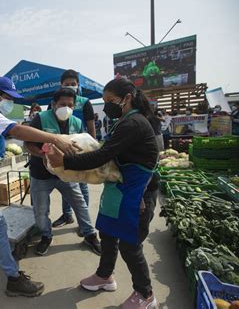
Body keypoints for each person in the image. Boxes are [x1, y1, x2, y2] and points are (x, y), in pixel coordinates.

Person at [0, 76, 79, 297]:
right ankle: (13, 278)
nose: (11, 103)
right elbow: (19, 131)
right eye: (9, 98)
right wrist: (56, 139)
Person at [45, 77, 159, 309]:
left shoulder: (133, 123)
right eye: (105, 100)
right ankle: (104, 276)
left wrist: (65, 160)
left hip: (137, 193)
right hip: (119, 188)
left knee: (129, 244)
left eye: (110, 100)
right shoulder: (124, 121)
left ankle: (146, 295)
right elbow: (107, 153)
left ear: (127, 98)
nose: (107, 105)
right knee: (107, 232)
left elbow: (102, 156)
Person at [25, 88, 101, 256]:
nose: (66, 108)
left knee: (79, 203)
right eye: (62, 104)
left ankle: (90, 234)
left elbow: (81, 145)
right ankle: (46, 235)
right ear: (53, 104)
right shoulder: (40, 118)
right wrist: (43, 154)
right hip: (41, 174)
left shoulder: (76, 122)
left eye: (70, 105)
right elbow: (28, 144)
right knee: (41, 209)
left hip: (67, 174)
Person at [52, 69, 96, 229]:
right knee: (66, 179)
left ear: (78, 85)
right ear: (61, 85)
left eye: (73, 84)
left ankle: (83, 221)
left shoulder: (85, 102)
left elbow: (91, 127)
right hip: (62, 147)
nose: (70, 87)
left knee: (82, 183)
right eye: (66, 84)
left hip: (80, 147)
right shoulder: (57, 100)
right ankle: (67, 215)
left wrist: (92, 149)